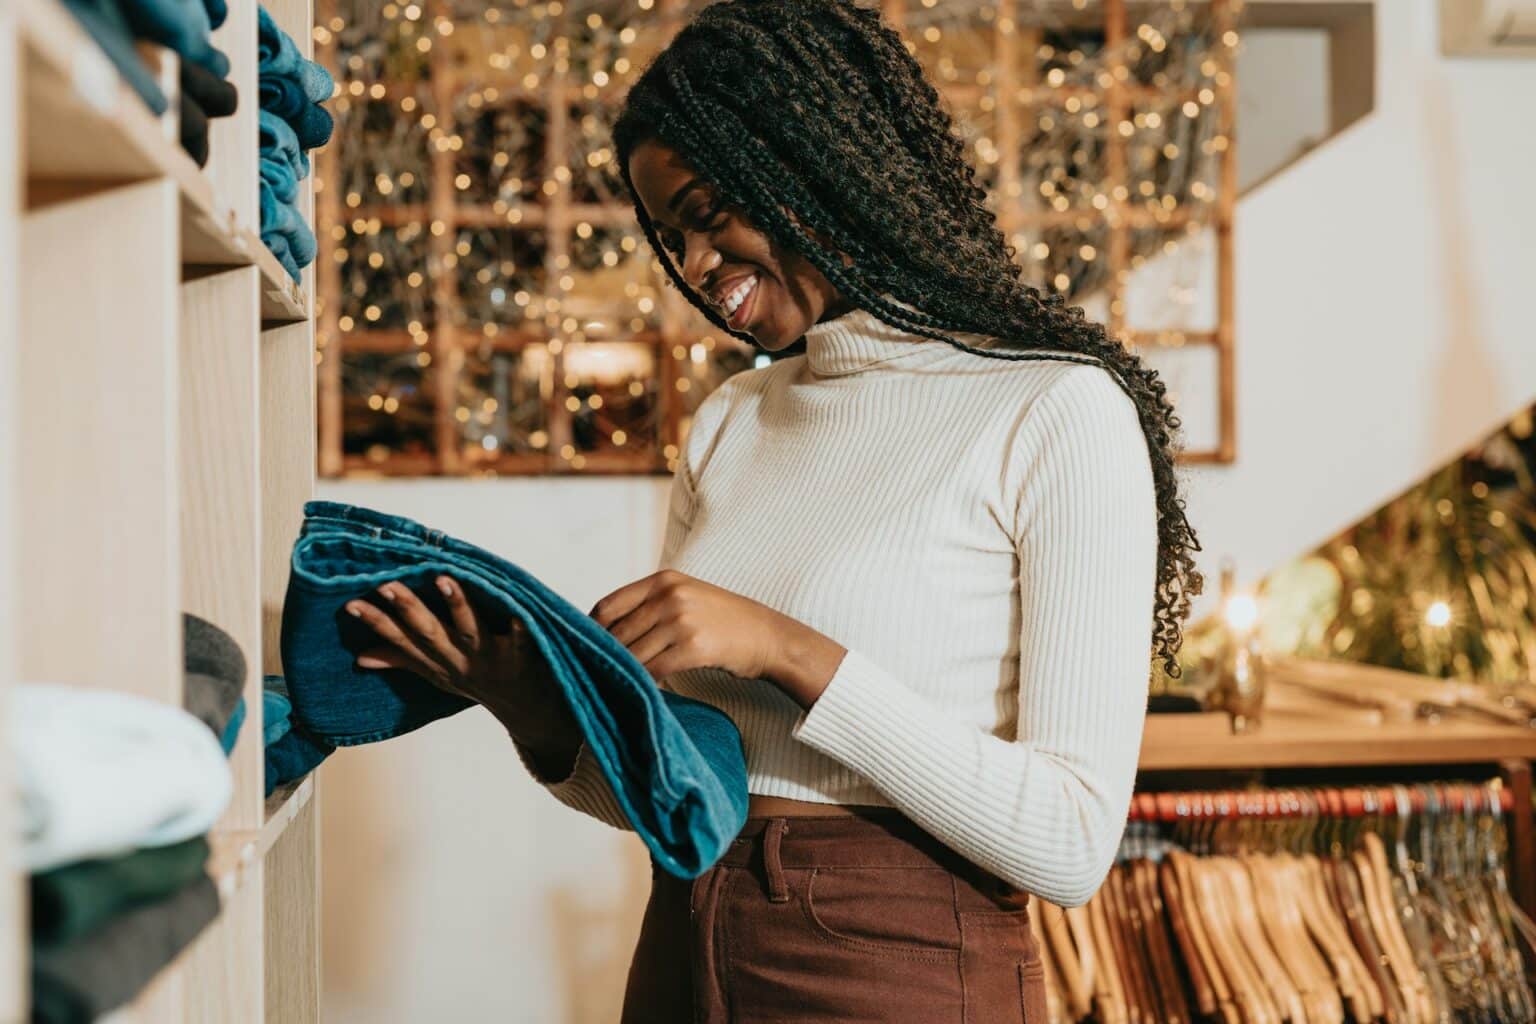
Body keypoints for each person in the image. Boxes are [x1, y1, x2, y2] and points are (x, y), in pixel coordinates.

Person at [346, 1, 1203, 1019]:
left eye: (712, 213)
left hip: (892, 963)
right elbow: (674, 786)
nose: (697, 267)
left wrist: (782, 647)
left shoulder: (1053, 411)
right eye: (674, 236)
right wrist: (527, 704)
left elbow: (1071, 840)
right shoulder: (732, 421)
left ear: (813, 165)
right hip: (683, 936)